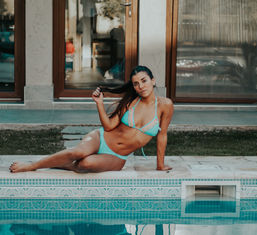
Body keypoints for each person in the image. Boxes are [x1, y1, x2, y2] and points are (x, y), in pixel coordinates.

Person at [10, 65, 174, 173]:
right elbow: (109, 126)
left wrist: (160, 165)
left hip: (118, 157)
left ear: (153, 80)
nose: (141, 86)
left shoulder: (165, 105)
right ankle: (32, 166)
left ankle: (57, 162)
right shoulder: (131, 102)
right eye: (136, 84)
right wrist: (100, 104)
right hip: (102, 138)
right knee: (77, 152)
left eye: (144, 81)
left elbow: (162, 135)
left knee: (84, 164)